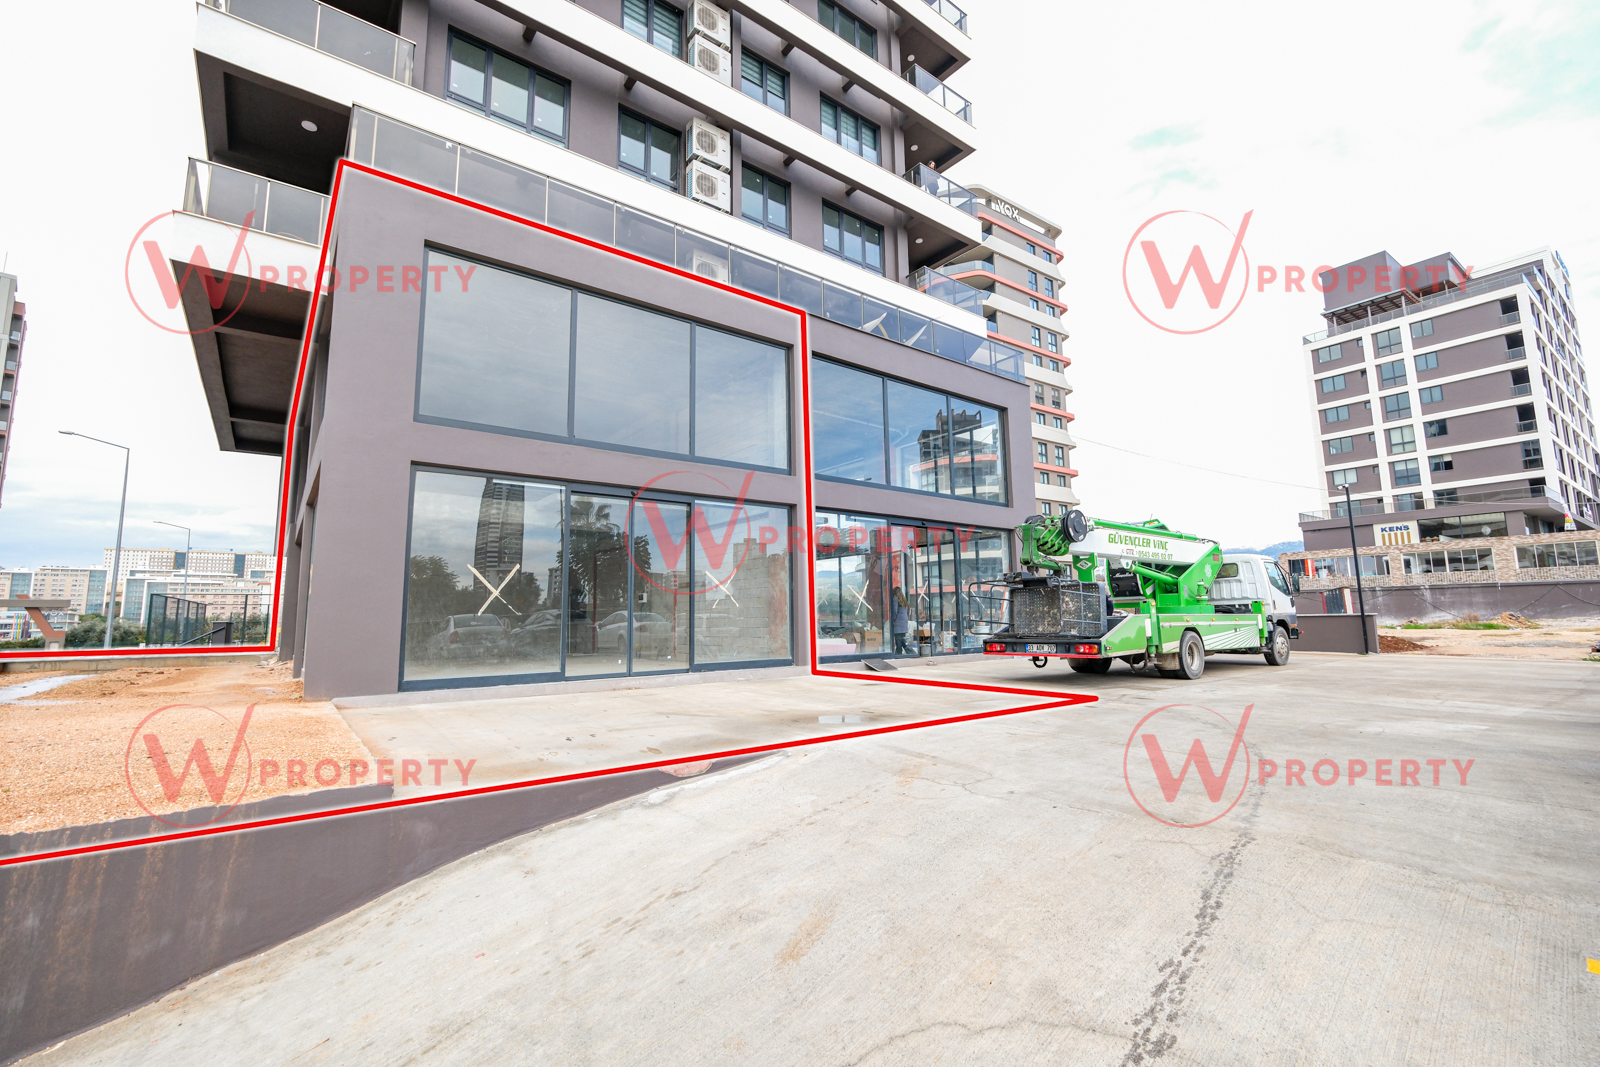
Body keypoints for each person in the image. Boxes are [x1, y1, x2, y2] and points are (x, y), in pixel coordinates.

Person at [891, 587, 912, 654]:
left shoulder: (895, 599)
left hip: (898, 622)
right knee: (901, 639)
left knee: (898, 640)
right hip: (904, 621)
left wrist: (893, 620)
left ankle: (900, 654)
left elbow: (894, 611)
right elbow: (907, 612)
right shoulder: (904, 600)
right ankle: (909, 652)